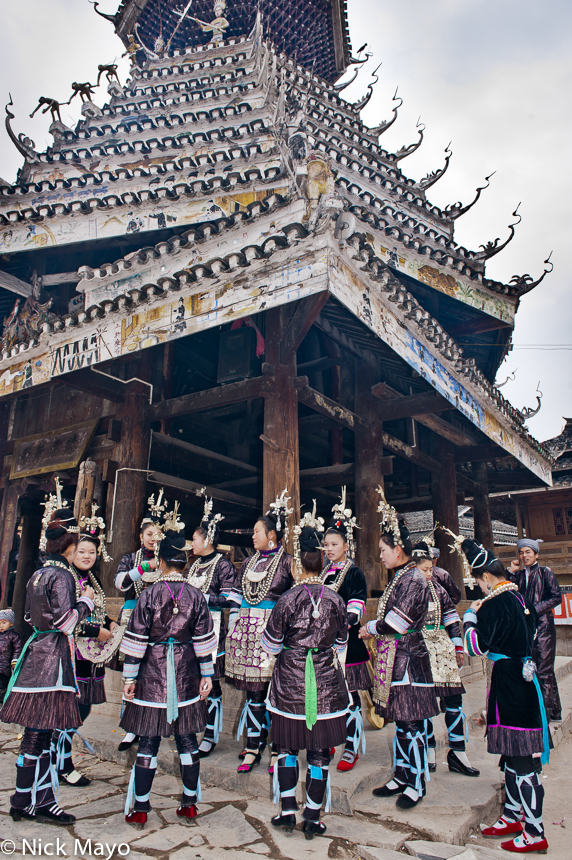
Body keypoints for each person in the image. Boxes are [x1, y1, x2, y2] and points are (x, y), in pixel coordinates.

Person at [120, 507, 217, 827]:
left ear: (160, 561)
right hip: (187, 672)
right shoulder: (196, 595)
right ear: (185, 561)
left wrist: (129, 677)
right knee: (188, 741)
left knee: (148, 742)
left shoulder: (149, 594)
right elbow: (205, 639)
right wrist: (207, 674)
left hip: (152, 674)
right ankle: (189, 804)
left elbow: (135, 641)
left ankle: (141, 808)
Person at [0, 503, 95, 825]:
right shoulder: (62, 577)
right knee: (44, 734)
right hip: (54, 662)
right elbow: (67, 622)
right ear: (68, 546)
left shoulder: (36, 575)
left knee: (34, 734)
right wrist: (86, 603)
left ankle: (22, 800)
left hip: (34, 653)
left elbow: (28, 616)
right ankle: (40, 803)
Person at [262, 509, 349, 839]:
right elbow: (341, 641)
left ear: (298, 565)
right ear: (322, 563)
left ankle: (286, 811)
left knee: (285, 748)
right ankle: (312, 815)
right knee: (318, 752)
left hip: (288, 684)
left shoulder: (287, 599)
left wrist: (290, 649)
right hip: (325, 685)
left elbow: (270, 644)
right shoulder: (336, 600)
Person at [462, 537, 550, 854]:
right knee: (513, 756)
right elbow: (532, 633)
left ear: (486, 578)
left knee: (523, 759)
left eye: (478, 584)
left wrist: (470, 617)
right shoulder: (519, 597)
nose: (479, 590)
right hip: (523, 678)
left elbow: (476, 647)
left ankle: (535, 831)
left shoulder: (494, 604)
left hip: (509, 683)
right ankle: (513, 815)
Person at [359, 488, 438, 809]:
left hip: (410, 659)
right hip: (398, 659)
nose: (380, 555)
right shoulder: (401, 577)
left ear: (399, 549)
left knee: (411, 723)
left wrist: (369, 628)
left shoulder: (413, 579)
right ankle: (402, 774)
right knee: (403, 722)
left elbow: (397, 622)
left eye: (383, 549)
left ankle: (416, 781)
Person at [225, 490, 294, 774]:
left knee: (274, 692)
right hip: (247, 636)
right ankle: (254, 744)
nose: (252, 537)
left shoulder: (288, 562)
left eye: (257, 532)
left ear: (272, 535)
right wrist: (233, 626)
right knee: (254, 693)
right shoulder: (250, 562)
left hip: (275, 634)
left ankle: (278, 745)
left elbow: (295, 599)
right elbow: (235, 594)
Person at [51, 517, 120, 787]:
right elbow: (66, 619)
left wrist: (110, 622)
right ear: (72, 553)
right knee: (71, 711)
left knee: (82, 710)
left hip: (92, 657)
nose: (87, 556)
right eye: (82, 551)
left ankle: (60, 760)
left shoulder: (91, 578)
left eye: (92, 552)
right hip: (72, 655)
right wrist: (96, 632)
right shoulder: (65, 578)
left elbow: (97, 610)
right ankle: (62, 764)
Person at [412, 542, 479, 777]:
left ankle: (458, 751)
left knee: (453, 699)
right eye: (424, 569)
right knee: (427, 701)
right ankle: (429, 749)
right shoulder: (406, 590)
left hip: (443, 647)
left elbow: (451, 617)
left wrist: (458, 647)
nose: (429, 574)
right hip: (418, 648)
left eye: (431, 569)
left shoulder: (439, 589)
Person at [187, 490, 239, 758]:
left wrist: (203, 598)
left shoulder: (224, 565)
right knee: (196, 680)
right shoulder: (194, 566)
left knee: (212, 683)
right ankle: (197, 727)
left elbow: (232, 599)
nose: (191, 543)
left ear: (207, 539)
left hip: (214, 631)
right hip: (192, 631)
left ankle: (211, 734)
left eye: (194, 539)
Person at [320, 489, 369, 772]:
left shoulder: (354, 573)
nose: (328, 549)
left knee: (350, 696)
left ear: (345, 546)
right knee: (327, 694)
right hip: (325, 645)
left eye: (334, 544)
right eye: (326, 544)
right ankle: (328, 740)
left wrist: (338, 625)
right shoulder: (324, 573)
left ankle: (351, 746)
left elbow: (356, 609)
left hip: (346, 644)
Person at [113, 499, 161, 752]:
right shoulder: (131, 558)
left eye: (157, 534)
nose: (154, 538)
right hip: (133, 618)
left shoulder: (168, 560)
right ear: (141, 536)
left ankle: (153, 721)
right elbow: (120, 583)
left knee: (154, 670)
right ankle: (131, 726)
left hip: (159, 623)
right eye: (149, 534)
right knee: (132, 670)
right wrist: (143, 568)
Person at [508, 538, 562, 722]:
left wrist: (533, 609)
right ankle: (554, 710)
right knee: (533, 668)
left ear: (536, 554)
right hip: (527, 629)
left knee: (544, 670)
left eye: (528, 552)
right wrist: (510, 571)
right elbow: (505, 590)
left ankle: (544, 715)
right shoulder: (519, 576)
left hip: (544, 627)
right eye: (521, 552)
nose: (524, 556)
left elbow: (556, 597)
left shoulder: (546, 573)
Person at [0, 609, 22, 698]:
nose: (1, 625)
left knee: (2, 685)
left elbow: (17, 649)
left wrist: (15, 660)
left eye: (4, 623)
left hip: (4, 667)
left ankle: (1, 701)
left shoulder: (13, 636)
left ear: (11, 624)